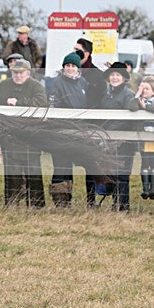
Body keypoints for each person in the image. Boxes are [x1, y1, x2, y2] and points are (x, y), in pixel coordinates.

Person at [0, 59, 48, 207]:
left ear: (28, 73)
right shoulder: (3, 86)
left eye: (21, 73)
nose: (18, 76)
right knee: (11, 173)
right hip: (10, 137)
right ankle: (11, 204)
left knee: (33, 173)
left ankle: (36, 205)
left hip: (31, 138)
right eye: (15, 72)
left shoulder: (36, 86)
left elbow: (42, 103)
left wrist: (19, 102)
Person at [45, 52, 88, 207]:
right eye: (67, 65)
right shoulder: (57, 82)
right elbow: (53, 104)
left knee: (70, 166)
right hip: (61, 130)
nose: (70, 68)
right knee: (60, 165)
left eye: (73, 66)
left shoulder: (82, 83)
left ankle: (68, 198)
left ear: (78, 68)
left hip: (78, 130)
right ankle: (59, 200)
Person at [74, 36, 106, 206]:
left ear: (86, 53)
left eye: (78, 50)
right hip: (74, 124)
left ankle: (91, 200)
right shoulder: (71, 70)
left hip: (92, 124)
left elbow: (101, 100)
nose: (75, 53)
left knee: (90, 161)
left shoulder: (97, 76)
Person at [99, 62, 135, 211]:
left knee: (122, 175)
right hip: (110, 140)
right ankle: (116, 204)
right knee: (113, 173)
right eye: (112, 75)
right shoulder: (108, 94)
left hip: (123, 141)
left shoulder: (128, 94)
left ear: (123, 78)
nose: (114, 78)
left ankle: (124, 206)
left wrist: (110, 132)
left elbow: (127, 118)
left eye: (117, 75)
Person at [129, 76, 154, 200]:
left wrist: (145, 107)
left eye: (147, 89)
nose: (144, 91)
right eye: (142, 88)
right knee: (145, 162)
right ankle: (145, 189)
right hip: (143, 137)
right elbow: (132, 107)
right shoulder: (139, 100)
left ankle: (153, 189)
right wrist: (137, 94)